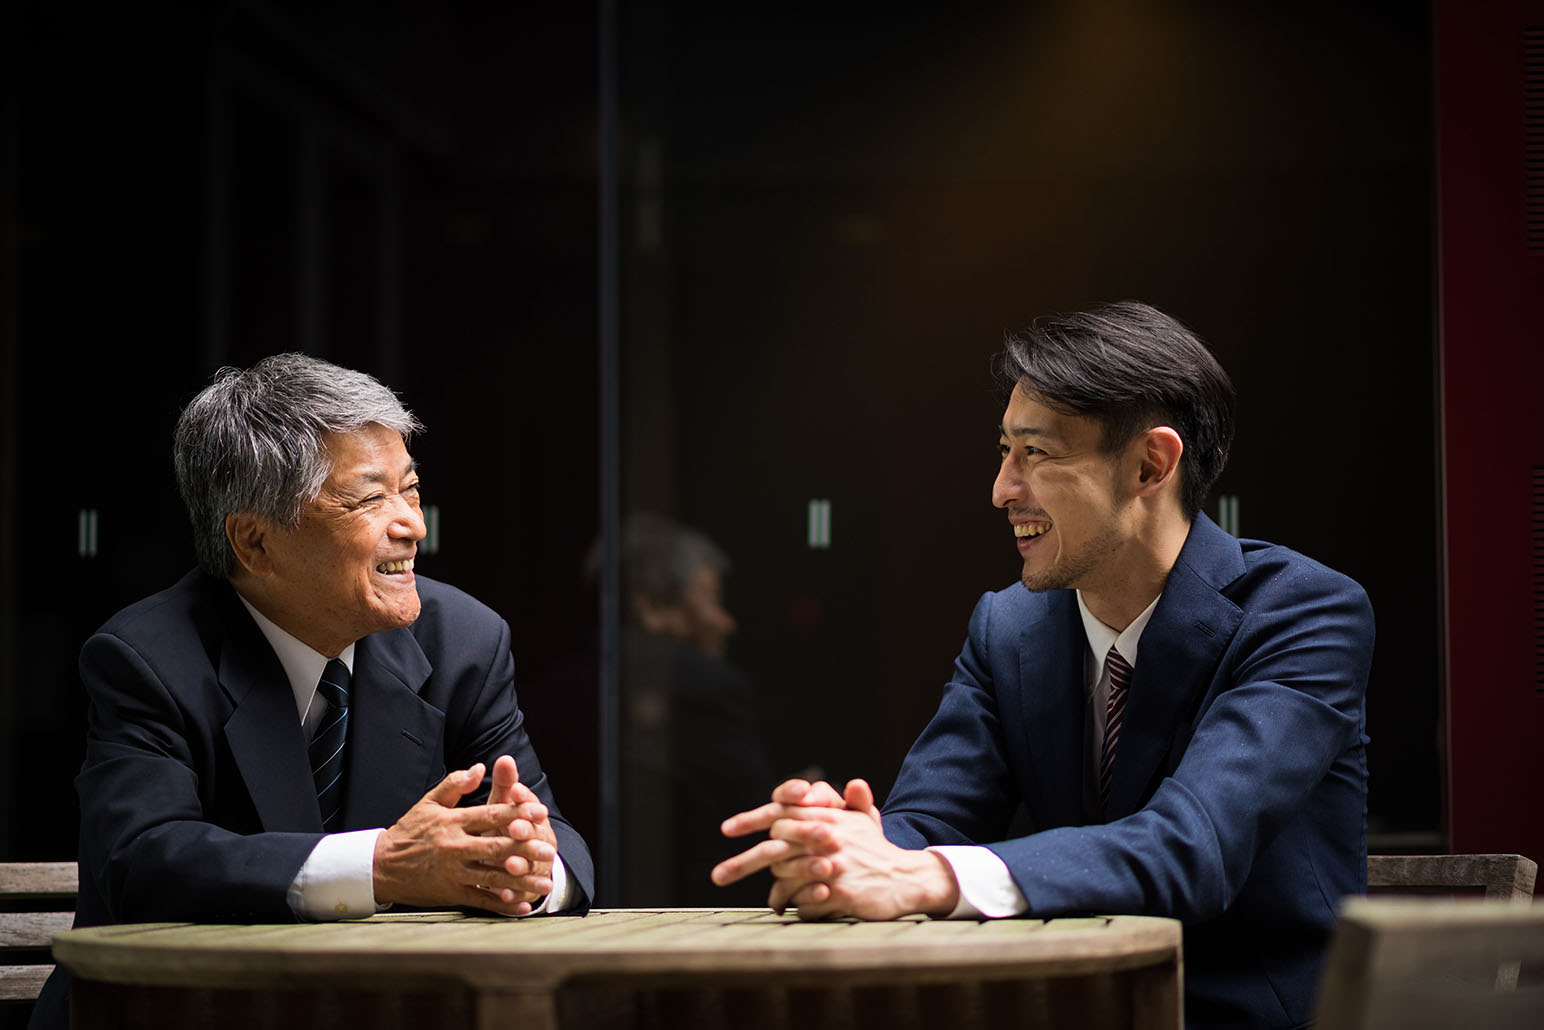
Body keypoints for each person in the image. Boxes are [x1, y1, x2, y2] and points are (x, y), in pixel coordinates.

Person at [712, 301, 1374, 1029]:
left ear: (1150, 465)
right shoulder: (1009, 627)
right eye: (1004, 451)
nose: (1002, 489)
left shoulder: (1302, 613)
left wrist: (920, 874)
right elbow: (932, 820)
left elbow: (1194, 847)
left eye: (1036, 453)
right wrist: (848, 848)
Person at [31, 354, 593, 1030]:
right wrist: (380, 866)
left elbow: (557, 840)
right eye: (368, 499)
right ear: (255, 543)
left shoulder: (463, 642)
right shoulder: (148, 656)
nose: (412, 524)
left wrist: (530, 868)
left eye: (410, 488)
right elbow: (143, 862)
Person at [614, 514, 772, 906]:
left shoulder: (557, 681)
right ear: (652, 605)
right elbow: (745, 821)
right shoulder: (710, 687)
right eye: (713, 600)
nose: (727, 623)